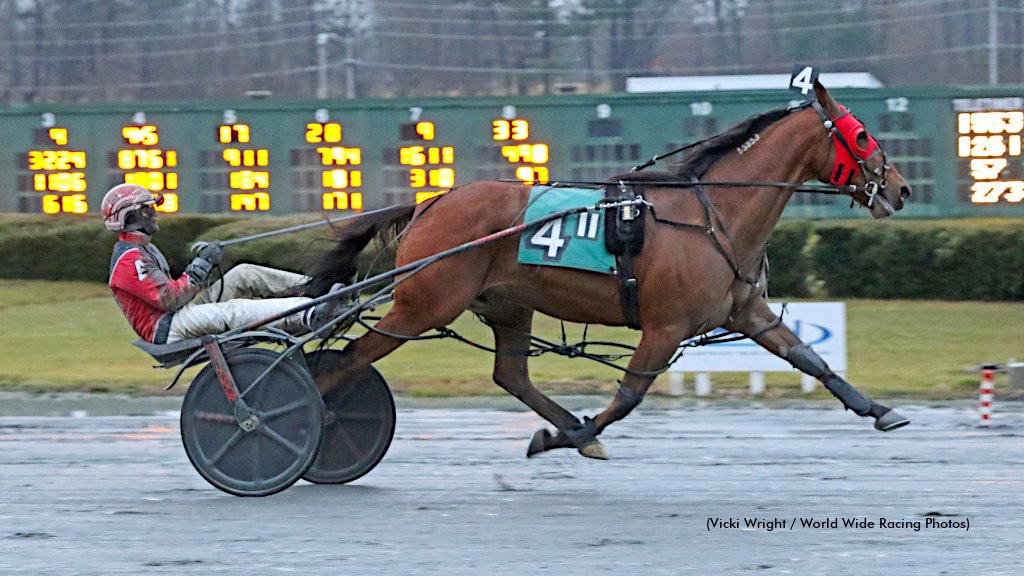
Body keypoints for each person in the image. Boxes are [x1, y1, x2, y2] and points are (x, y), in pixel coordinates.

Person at [102, 183, 343, 344]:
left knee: (244, 273)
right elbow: (170, 299)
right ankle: (310, 312)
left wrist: (202, 265)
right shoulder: (128, 260)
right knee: (234, 309)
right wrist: (201, 265)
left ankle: (319, 290)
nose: (153, 212)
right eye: (146, 209)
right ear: (129, 216)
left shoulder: (142, 248)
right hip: (167, 327)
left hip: (176, 314)